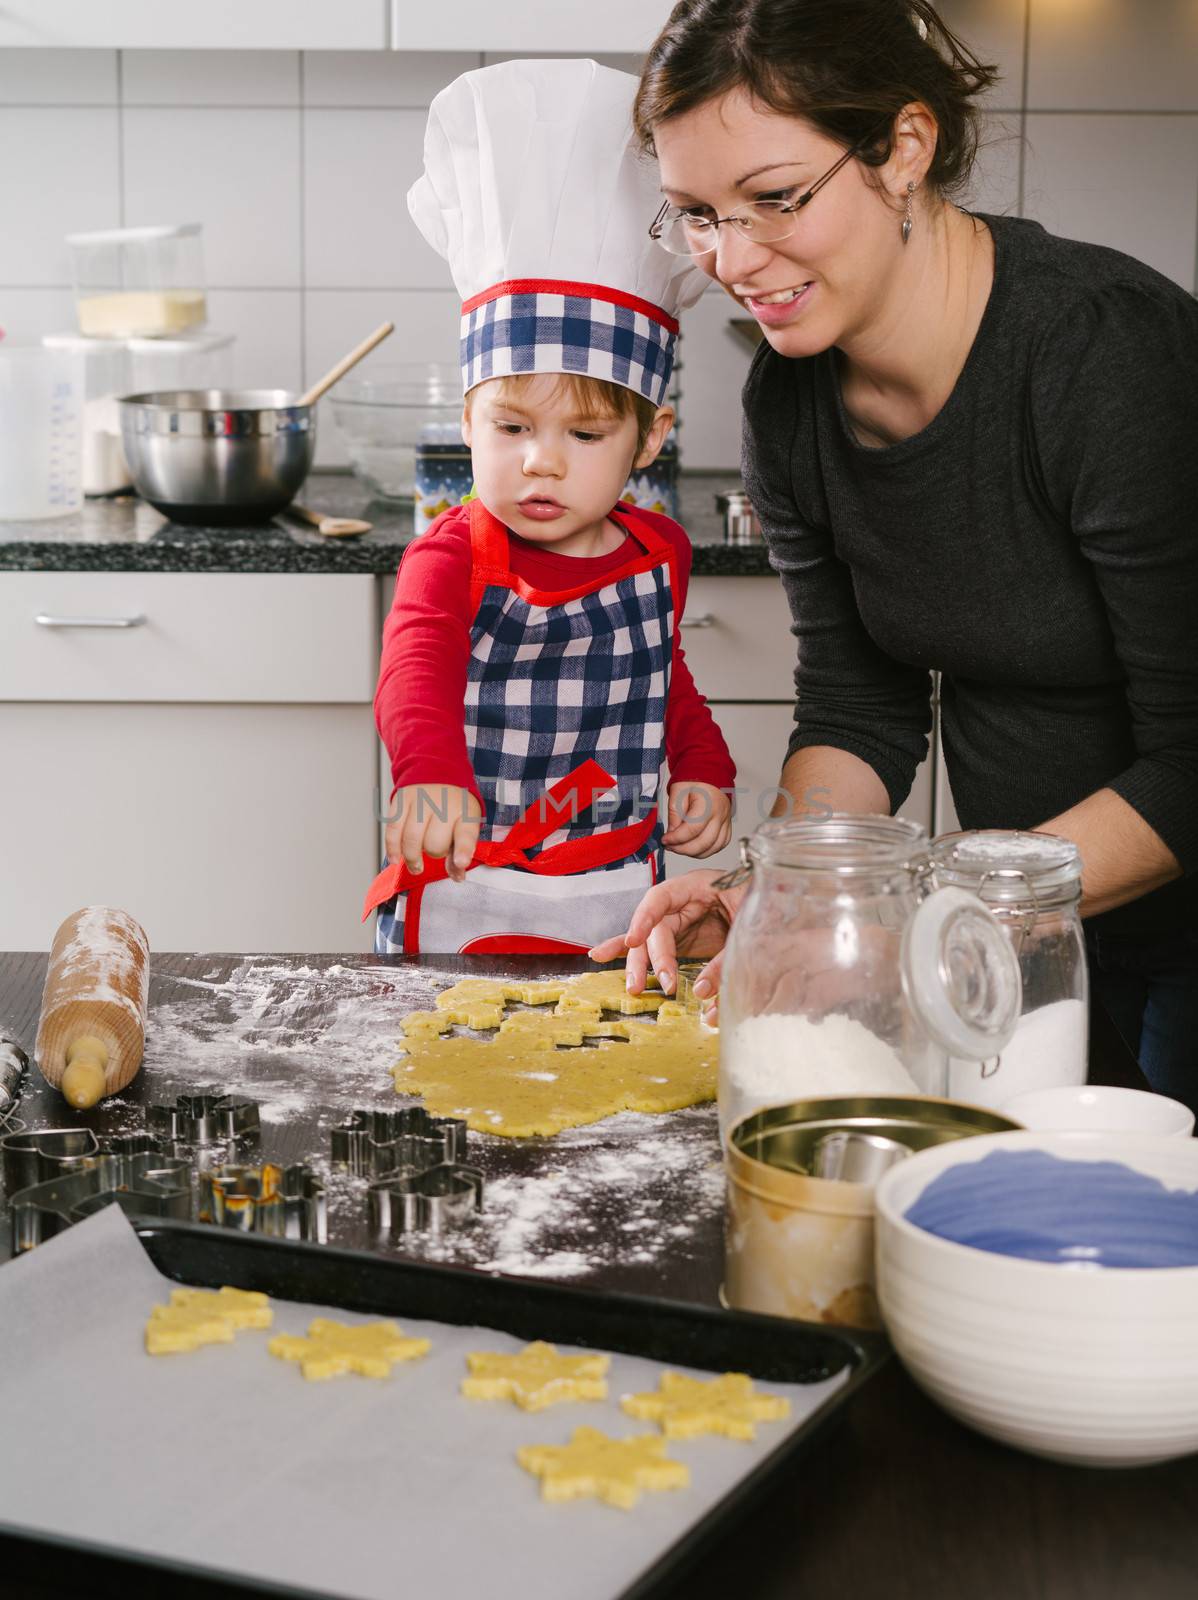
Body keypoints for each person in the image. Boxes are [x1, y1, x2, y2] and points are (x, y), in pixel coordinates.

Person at [590, 0, 1198, 1107]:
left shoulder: (1104, 357)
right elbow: (857, 708)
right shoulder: (789, 403)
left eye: (775, 199)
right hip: (1032, 927)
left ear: (903, 148)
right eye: (695, 215)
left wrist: (899, 905)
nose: (734, 257)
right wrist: (774, 892)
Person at [363, 58, 736, 956]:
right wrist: (430, 776)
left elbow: (663, 676)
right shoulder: (452, 555)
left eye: (585, 436)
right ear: (468, 420)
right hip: (470, 884)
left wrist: (704, 767)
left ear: (649, 441)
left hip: (616, 886)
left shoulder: (658, 554)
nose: (540, 463)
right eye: (512, 425)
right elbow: (414, 668)